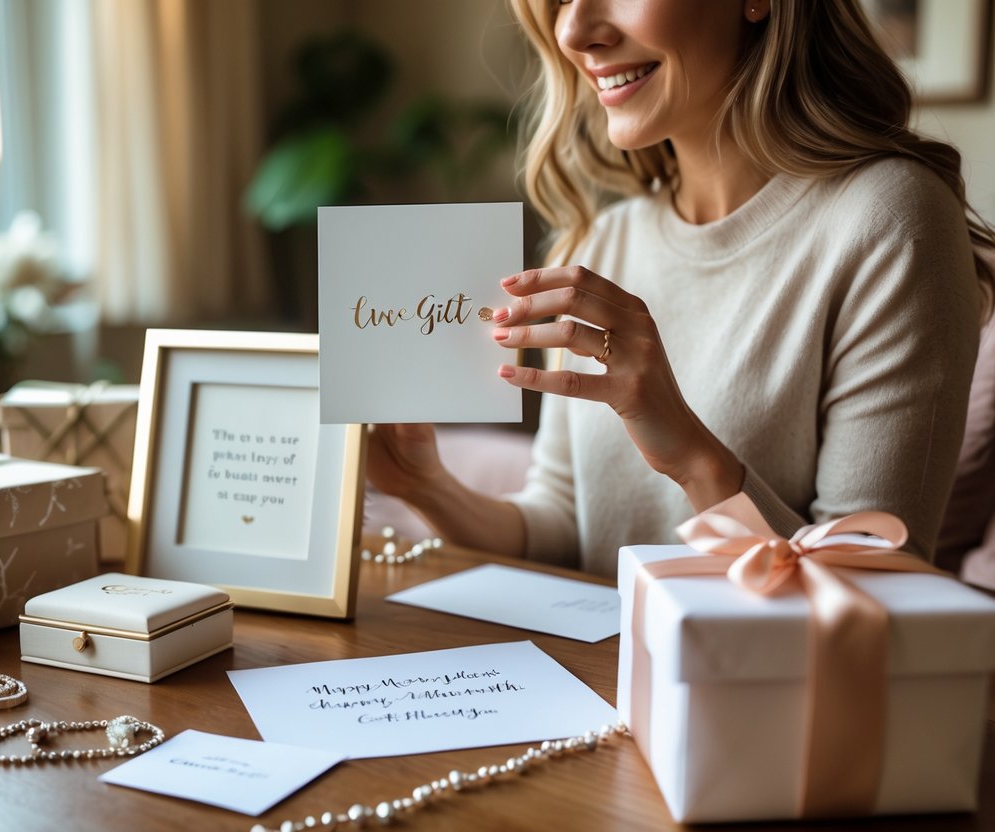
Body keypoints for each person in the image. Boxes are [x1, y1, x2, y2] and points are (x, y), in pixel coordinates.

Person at [366, 0, 995, 577]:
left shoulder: (890, 218)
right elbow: (565, 530)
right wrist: (426, 487)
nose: (574, 32)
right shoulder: (608, 240)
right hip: (595, 680)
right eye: (560, 0)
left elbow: (871, 591)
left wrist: (691, 454)